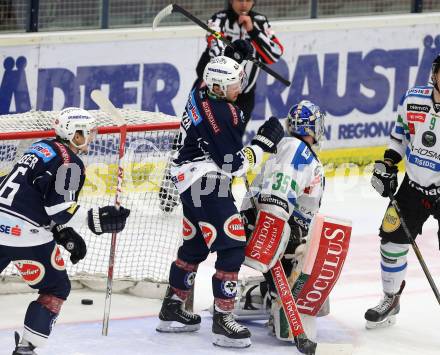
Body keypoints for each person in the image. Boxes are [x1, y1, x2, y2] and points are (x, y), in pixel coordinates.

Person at [155, 55, 284, 348]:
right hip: (207, 183)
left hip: (189, 180)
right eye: (234, 83)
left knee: (196, 244)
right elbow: (234, 165)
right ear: (218, 87)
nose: (240, 87)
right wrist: (264, 143)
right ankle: (223, 321)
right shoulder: (223, 114)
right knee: (232, 246)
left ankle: (172, 309)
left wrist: (233, 55)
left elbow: (213, 73)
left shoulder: (200, 90)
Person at [0, 107, 131, 354]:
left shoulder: (40, 147)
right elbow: (58, 209)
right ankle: (27, 348)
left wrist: (60, 231)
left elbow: (27, 191)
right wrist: (96, 218)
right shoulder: (71, 163)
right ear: (75, 135)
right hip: (24, 235)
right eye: (88, 133)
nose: (92, 137)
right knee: (56, 288)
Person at [236, 100, 327, 343]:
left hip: (279, 228)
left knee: (319, 298)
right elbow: (278, 195)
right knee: (285, 330)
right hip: (273, 228)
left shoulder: (293, 147)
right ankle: (266, 295)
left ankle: (263, 293)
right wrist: (269, 231)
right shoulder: (296, 150)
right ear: (315, 128)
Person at [365, 54, 440, 329]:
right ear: (435, 74)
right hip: (413, 186)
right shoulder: (413, 100)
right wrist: (386, 165)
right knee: (391, 241)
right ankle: (390, 298)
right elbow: (398, 138)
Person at [195, 0, 284, 127]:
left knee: (234, 138)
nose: (244, 4)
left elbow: (275, 54)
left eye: (248, 0)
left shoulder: (261, 22)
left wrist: (253, 31)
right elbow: (215, 46)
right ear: (231, 1)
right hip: (216, 92)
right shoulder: (219, 19)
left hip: (244, 96)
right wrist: (232, 55)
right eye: (240, 0)